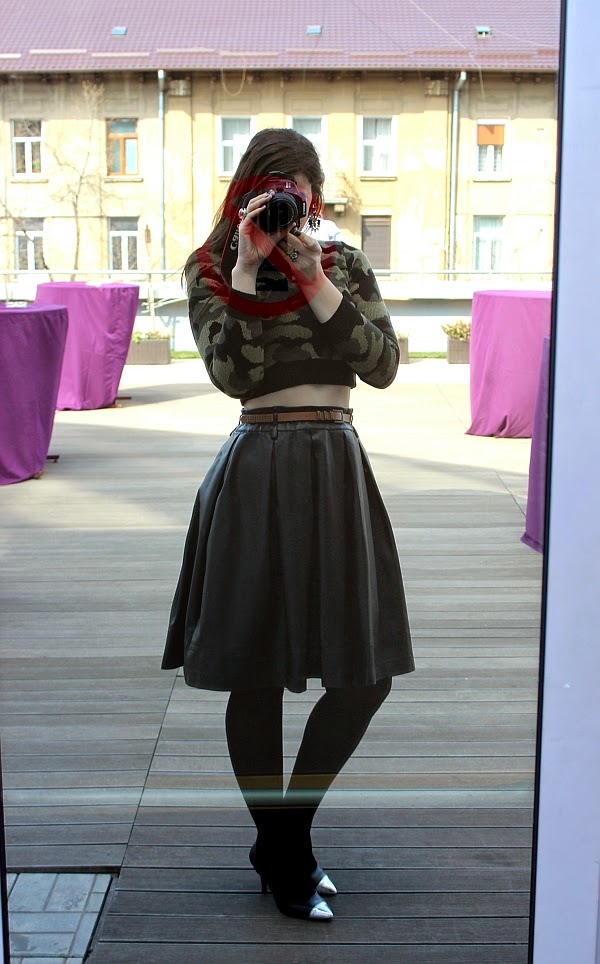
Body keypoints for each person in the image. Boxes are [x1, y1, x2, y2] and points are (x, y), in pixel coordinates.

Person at [162, 128, 414, 922]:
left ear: (316, 201)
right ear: (243, 196)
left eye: (297, 196)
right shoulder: (211, 269)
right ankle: (288, 853)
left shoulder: (342, 262)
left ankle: (284, 838)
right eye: (270, 193)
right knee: (257, 669)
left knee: (365, 673)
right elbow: (229, 373)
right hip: (258, 466)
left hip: (336, 462)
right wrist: (244, 270)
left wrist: (315, 281)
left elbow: (382, 365)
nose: (284, 209)